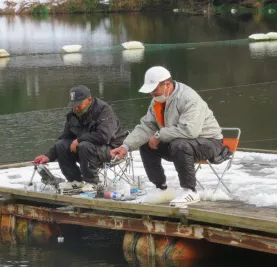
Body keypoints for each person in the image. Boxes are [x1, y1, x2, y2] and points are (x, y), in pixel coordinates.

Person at [110, 66, 223, 206]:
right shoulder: (157, 100)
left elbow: (190, 131)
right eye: (150, 90)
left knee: (180, 145)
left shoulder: (189, 98)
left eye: (154, 89)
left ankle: (190, 191)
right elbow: (147, 126)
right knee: (146, 144)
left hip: (210, 142)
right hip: (179, 142)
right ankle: (161, 188)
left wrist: (159, 135)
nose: (152, 94)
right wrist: (125, 146)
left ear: (167, 85)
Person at [34, 85, 126, 192]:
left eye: (79, 105)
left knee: (84, 145)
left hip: (112, 149)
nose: (76, 108)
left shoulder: (104, 110)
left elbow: (104, 136)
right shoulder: (72, 115)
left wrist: (78, 140)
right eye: (73, 105)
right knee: (61, 145)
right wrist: (48, 156)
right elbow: (65, 137)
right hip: (87, 151)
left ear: (89, 100)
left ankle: (92, 183)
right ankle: (75, 181)